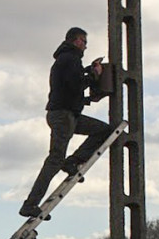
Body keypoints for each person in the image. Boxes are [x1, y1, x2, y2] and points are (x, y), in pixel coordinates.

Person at [19, 26, 111, 219]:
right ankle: (30, 204)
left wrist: (87, 74)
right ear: (76, 41)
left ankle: (72, 162)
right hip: (63, 115)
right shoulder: (70, 59)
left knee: (103, 131)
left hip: (67, 114)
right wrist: (94, 75)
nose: (85, 46)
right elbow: (75, 84)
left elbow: (71, 84)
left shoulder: (67, 59)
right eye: (84, 42)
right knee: (54, 160)